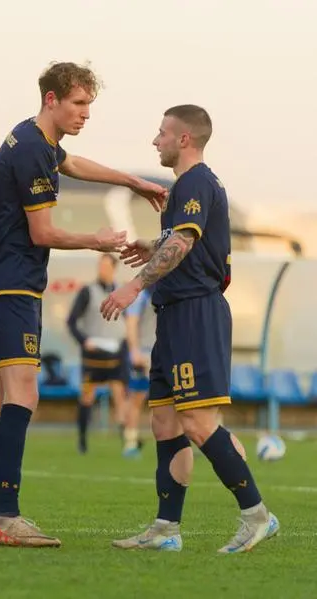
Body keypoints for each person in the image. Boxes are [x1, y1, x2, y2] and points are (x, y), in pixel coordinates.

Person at [0, 61, 168, 548]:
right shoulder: (34, 150)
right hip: (10, 280)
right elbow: (43, 232)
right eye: (78, 104)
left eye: (88, 105)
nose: (85, 114)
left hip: (3, 278)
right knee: (23, 395)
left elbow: (73, 163)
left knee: (3, 400)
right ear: (52, 99)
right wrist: (96, 240)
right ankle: (8, 520)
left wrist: (132, 182)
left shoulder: (33, 139)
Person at [103, 104, 279, 554]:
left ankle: (256, 515)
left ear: (184, 139)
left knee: (199, 424)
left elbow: (185, 242)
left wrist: (132, 287)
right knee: (165, 423)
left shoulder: (197, 181)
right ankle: (166, 529)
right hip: (174, 315)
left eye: (162, 132)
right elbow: (180, 239)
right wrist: (154, 243)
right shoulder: (183, 187)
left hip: (196, 313)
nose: (155, 140)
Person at [66, 253, 129, 455]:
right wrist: (84, 341)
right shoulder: (87, 291)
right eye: (100, 266)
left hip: (116, 353)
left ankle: (127, 443)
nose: (102, 269)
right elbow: (71, 321)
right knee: (87, 397)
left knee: (120, 396)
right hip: (93, 355)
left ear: (114, 268)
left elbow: (130, 321)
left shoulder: (123, 291)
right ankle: (82, 441)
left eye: (106, 266)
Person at [123, 286, 156, 458]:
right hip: (144, 353)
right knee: (137, 398)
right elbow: (131, 322)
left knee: (167, 401)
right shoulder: (142, 294)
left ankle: (173, 442)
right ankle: (130, 442)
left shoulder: (169, 289)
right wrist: (134, 351)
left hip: (162, 352)